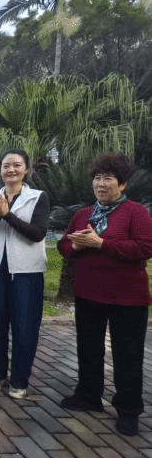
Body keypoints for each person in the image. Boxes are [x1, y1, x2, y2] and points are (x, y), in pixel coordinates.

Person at [58, 153, 152, 436]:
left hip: (128, 298)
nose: (101, 184)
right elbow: (64, 246)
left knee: (127, 355)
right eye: (97, 178)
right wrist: (76, 246)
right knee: (88, 349)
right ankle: (88, 396)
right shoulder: (83, 214)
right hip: (88, 294)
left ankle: (128, 410)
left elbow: (145, 248)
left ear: (122, 184)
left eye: (108, 179)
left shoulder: (136, 212)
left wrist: (101, 244)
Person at [0, 149, 49, 399]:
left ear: (26, 170)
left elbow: (37, 233)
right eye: (6, 165)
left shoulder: (37, 197)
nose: (11, 170)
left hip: (27, 271)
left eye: (17, 165)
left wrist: (9, 216)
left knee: (25, 326)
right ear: (0, 170)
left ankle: (19, 380)